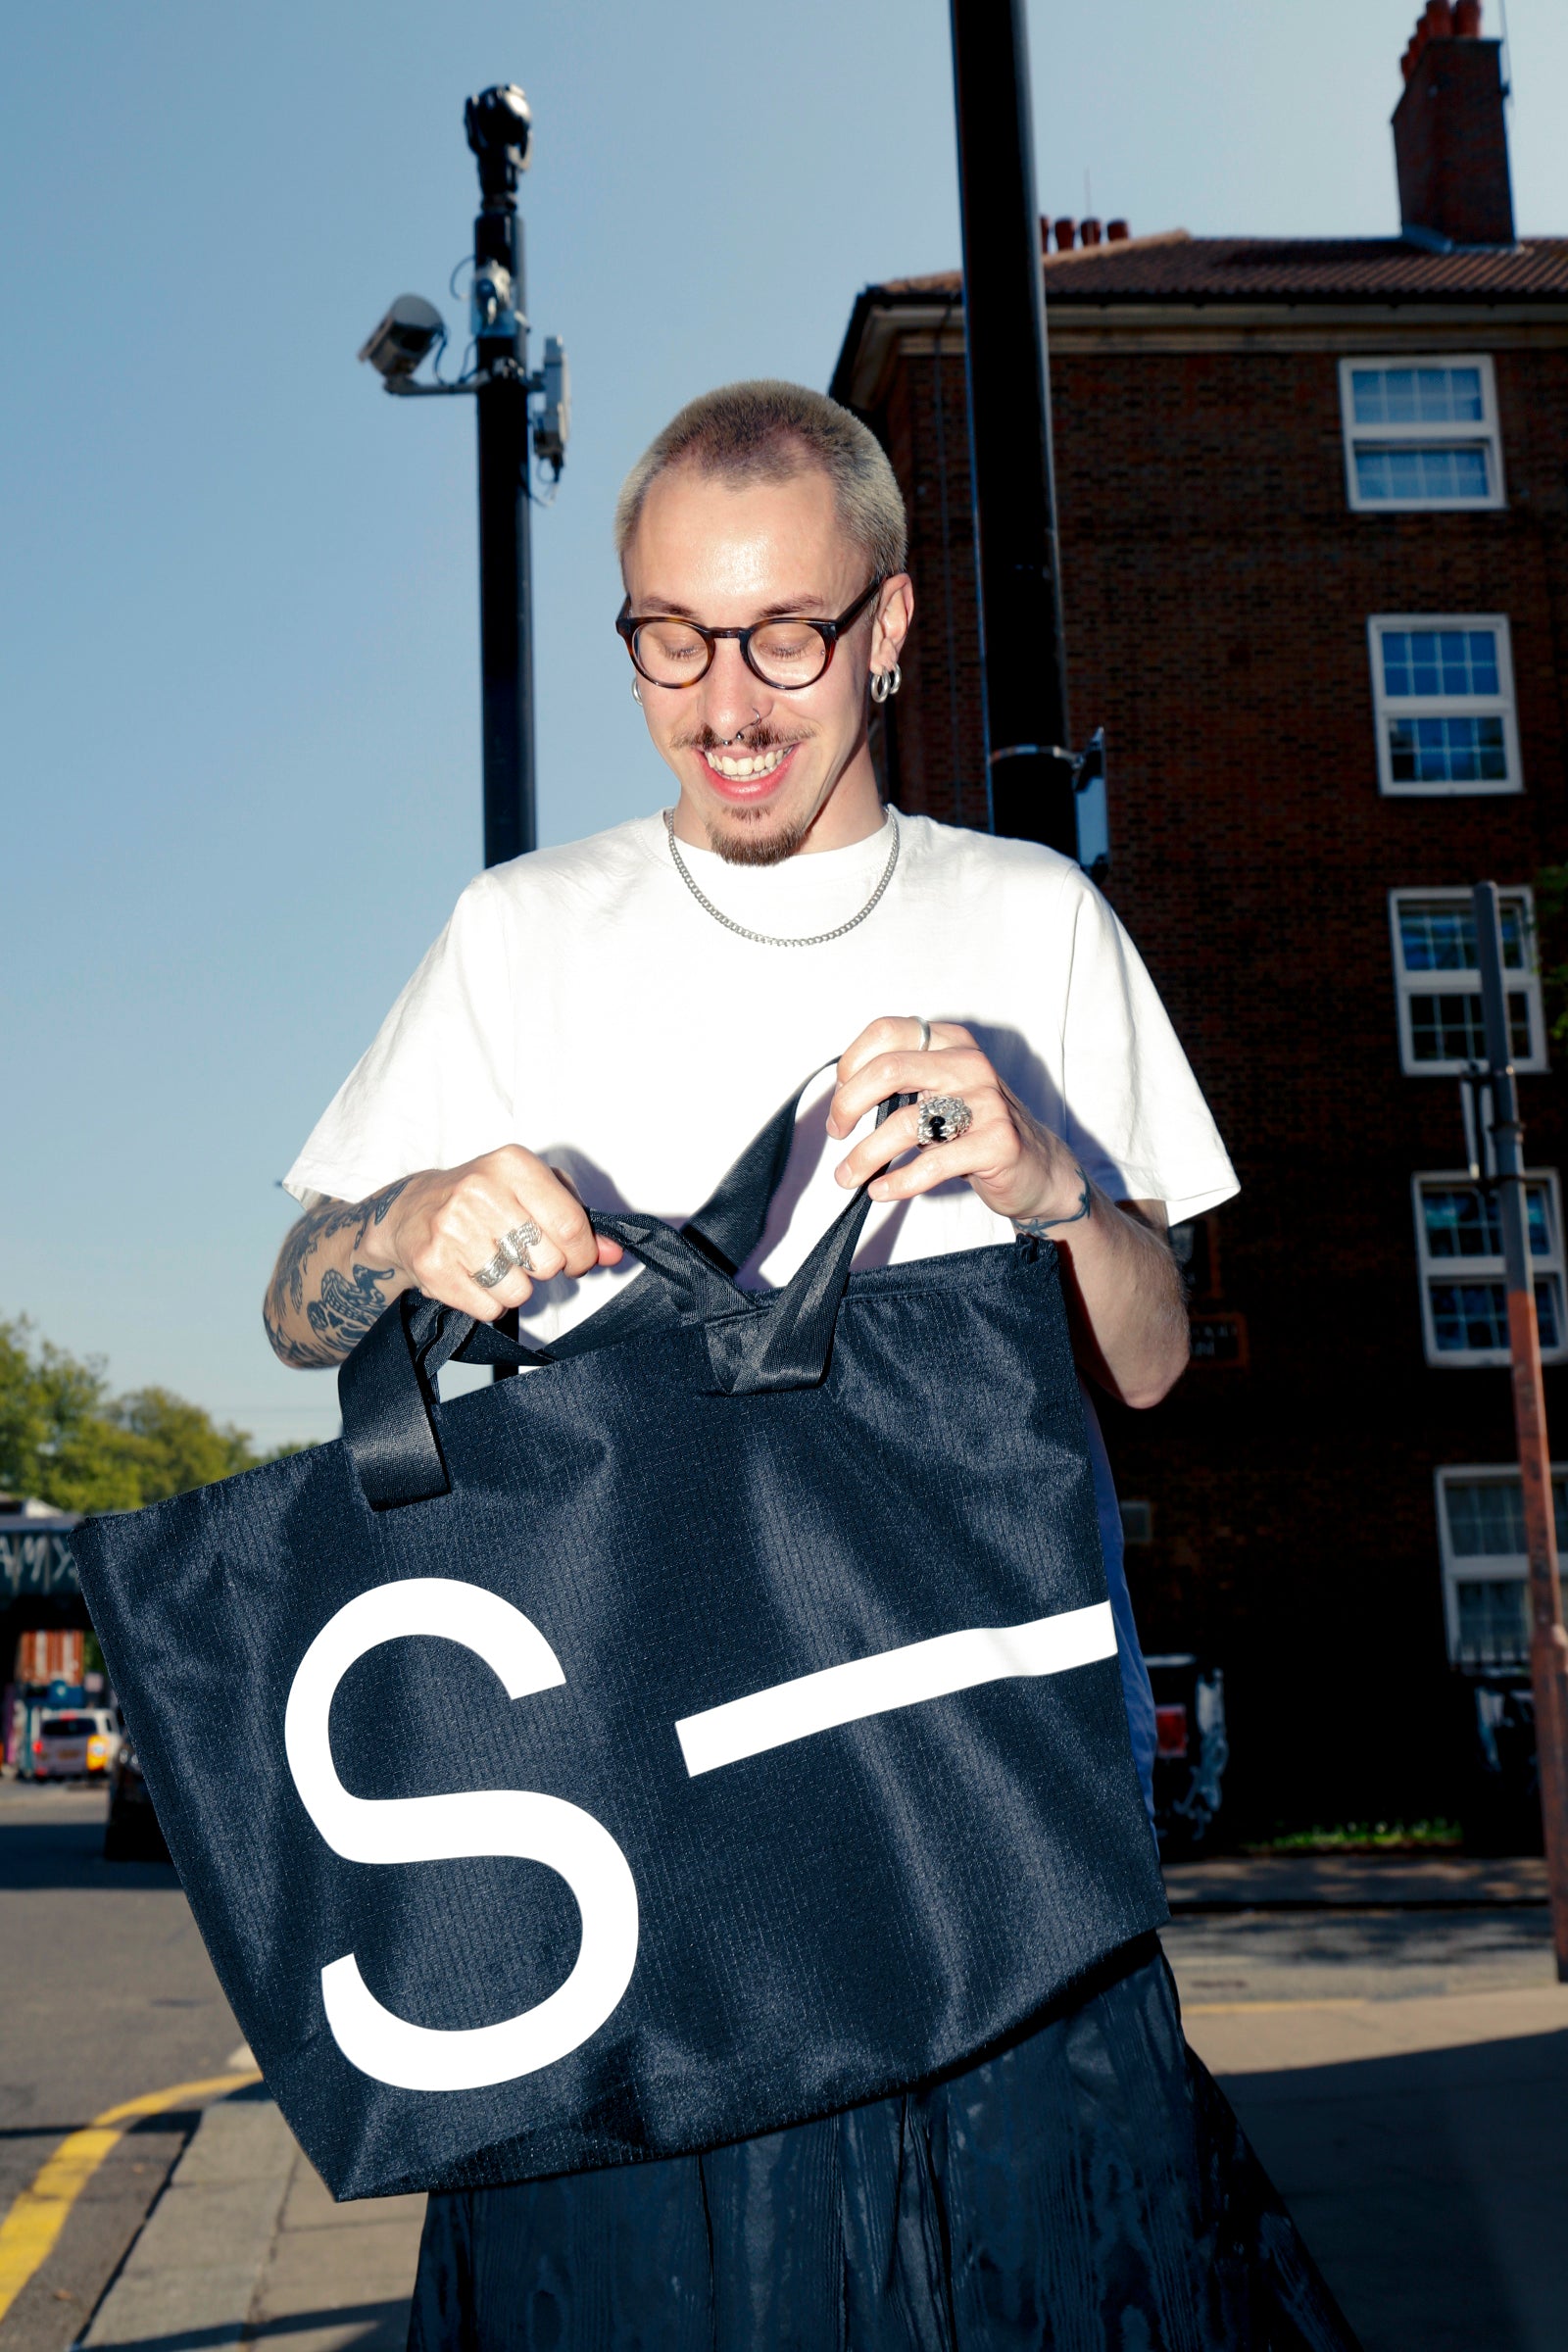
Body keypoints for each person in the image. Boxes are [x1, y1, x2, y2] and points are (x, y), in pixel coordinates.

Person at [267, 383, 1347, 2349]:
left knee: (1026, 2282)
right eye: (668, 641)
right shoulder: (518, 936)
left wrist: (1056, 1185)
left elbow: (1159, 1354)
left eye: (784, 638)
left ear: (891, 626)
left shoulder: (1028, 923)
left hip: (977, 1819)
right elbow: (296, 1307)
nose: (726, 706)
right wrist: (404, 1226)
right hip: (631, 1810)